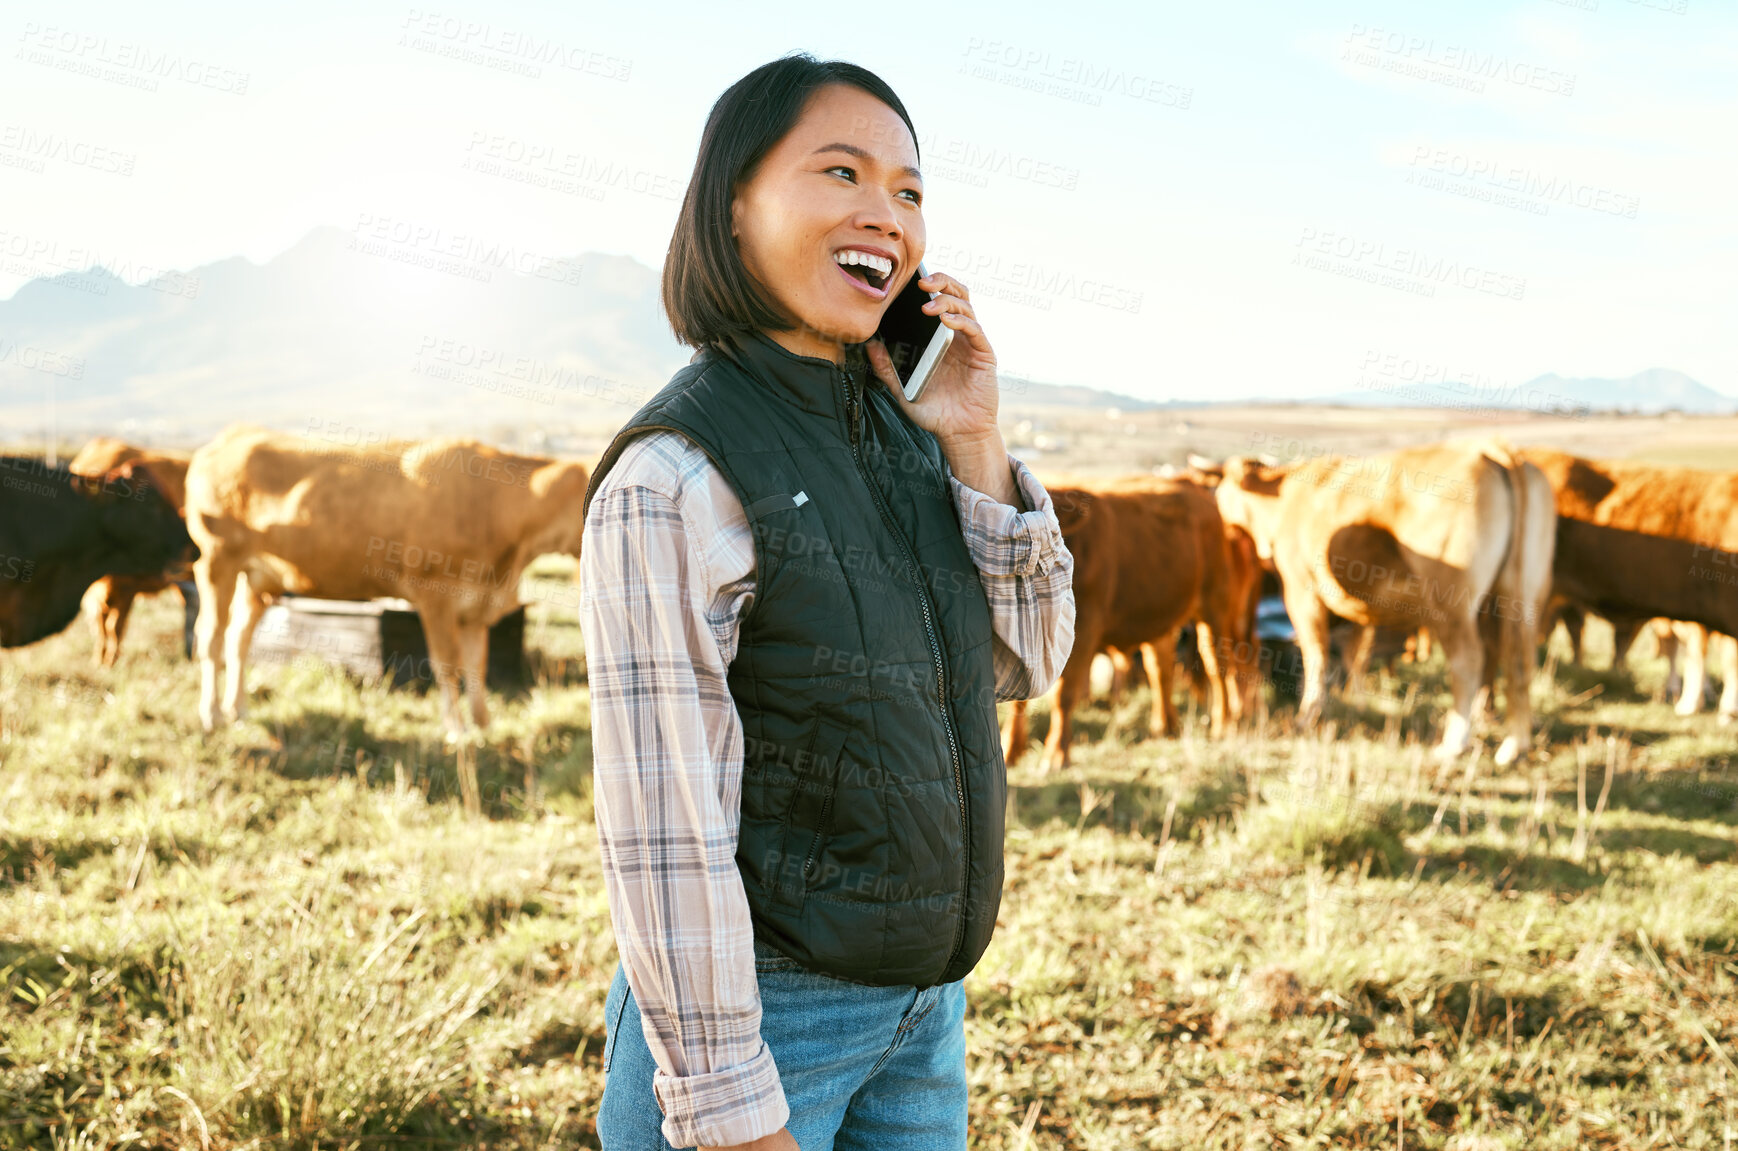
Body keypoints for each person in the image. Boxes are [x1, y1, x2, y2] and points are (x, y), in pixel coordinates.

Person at [579, 53, 1076, 1150]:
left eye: (908, 190)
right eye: (840, 173)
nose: (885, 214)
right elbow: (665, 829)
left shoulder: (911, 425)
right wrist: (729, 1111)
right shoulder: (677, 477)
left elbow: (1025, 660)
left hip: (922, 1016)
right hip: (764, 1030)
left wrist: (975, 437)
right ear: (733, 205)